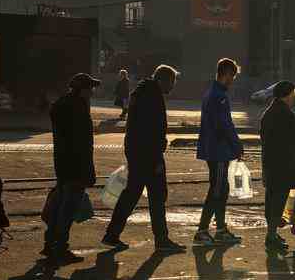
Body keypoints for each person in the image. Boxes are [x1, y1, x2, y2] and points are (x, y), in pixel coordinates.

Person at [104, 65, 185, 253]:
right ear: (163, 80)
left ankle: (112, 235)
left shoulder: (140, 92)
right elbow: (152, 130)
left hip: (136, 152)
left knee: (131, 195)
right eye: (171, 82)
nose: (172, 86)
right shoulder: (153, 96)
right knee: (157, 197)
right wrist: (156, 159)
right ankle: (162, 239)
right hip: (148, 155)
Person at [43, 73, 100, 261]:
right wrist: (88, 172)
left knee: (60, 205)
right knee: (68, 209)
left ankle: (50, 244)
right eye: (90, 88)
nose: (92, 92)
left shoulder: (62, 105)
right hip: (76, 165)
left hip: (62, 163)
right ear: (82, 90)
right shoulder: (78, 109)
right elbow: (83, 144)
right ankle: (60, 248)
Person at [196, 58, 244, 245]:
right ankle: (203, 230)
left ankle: (220, 228)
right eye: (233, 76)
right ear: (226, 74)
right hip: (218, 152)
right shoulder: (219, 96)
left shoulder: (213, 93)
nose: (233, 80)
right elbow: (225, 125)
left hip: (214, 150)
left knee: (221, 189)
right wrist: (237, 145)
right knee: (217, 190)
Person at [259, 81, 295, 251]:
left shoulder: (268, 113)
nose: (294, 98)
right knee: (279, 201)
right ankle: (272, 237)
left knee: (271, 200)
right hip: (284, 165)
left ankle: (271, 233)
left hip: (270, 164)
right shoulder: (286, 113)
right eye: (293, 95)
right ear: (287, 95)